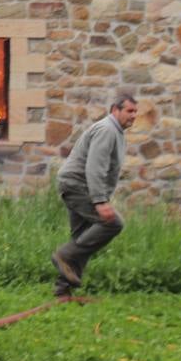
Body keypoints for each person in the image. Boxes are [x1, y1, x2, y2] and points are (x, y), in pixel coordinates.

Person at [51, 92, 138, 297]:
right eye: (129, 111)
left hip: (77, 185)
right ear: (115, 110)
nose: (133, 115)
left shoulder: (116, 132)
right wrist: (100, 200)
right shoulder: (107, 130)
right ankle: (64, 255)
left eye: (135, 112)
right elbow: (95, 167)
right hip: (78, 185)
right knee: (113, 223)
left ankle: (64, 291)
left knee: (82, 237)